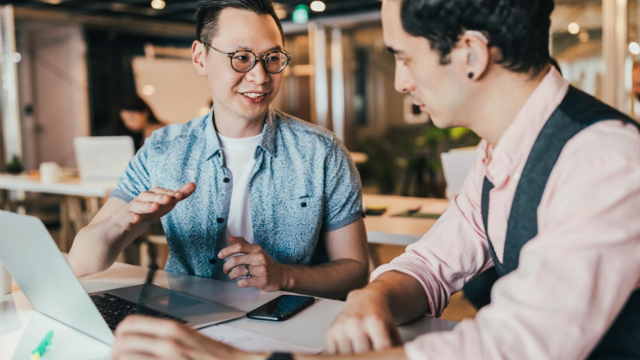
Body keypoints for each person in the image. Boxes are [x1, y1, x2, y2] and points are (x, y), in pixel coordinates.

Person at [110, 0, 640, 359]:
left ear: (472, 55)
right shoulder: (500, 152)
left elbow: (512, 347)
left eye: (404, 56)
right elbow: (433, 263)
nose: (400, 81)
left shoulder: (605, 160)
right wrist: (377, 296)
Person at [68, 0, 368, 300]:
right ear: (200, 58)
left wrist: (285, 275)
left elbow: (355, 271)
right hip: (187, 322)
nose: (260, 76)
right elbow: (83, 262)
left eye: (272, 58)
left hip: (291, 324)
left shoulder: (322, 152)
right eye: (240, 57)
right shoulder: (162, 149)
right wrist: (123, 220)